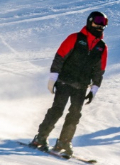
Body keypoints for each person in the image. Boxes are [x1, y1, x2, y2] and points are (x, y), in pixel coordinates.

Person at [29, 11, 109, 157]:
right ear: (90, 21)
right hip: (65, 81)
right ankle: (40, 137)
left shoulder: (102, 47)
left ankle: (64, 142)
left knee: (75, 114)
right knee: (57, 109)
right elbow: (60, 56)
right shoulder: (75, 38)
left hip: (81, 86)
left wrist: (94, 89)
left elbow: (99, 70)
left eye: (104, 22)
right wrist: (53, 77)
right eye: (98, 21)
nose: (101, 25)